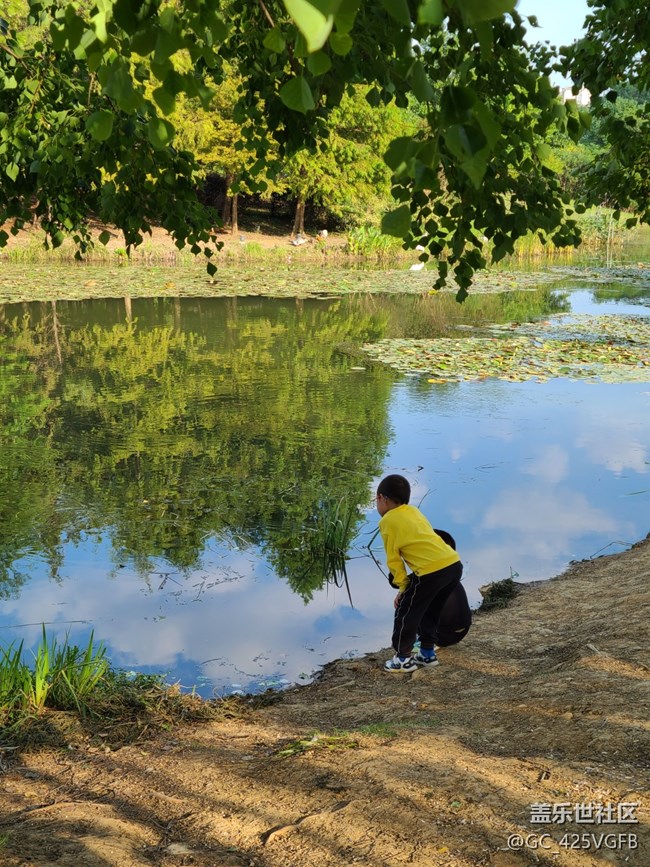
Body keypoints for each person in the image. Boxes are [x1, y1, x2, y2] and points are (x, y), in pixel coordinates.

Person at [376, 474, 467, 672]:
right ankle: (427, 653)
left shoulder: (388, 521)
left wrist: (402, 587)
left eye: (377, 500)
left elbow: (394, 560)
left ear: (382, 498)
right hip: (453, 564)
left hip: (430, 572)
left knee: (406, 613)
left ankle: (402, 659)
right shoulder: (413, 512)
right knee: (431, 611)